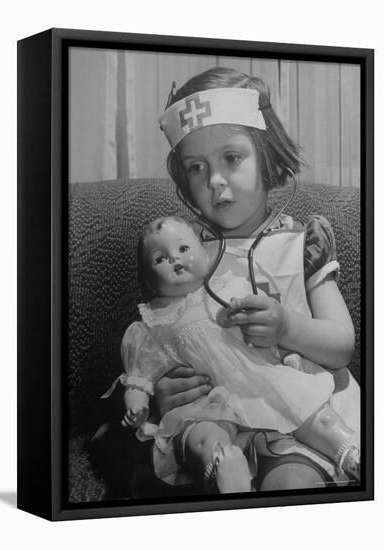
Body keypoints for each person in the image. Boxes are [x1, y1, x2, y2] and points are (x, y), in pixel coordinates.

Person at [151, 67, 360, 491]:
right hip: (223, 425)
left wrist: (287, 327)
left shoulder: (300, 244)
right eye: (196, 167)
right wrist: (163, 390)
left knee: (291, 485)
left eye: (231, 158)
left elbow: (342, 345)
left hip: (309, 418)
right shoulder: (186, 257)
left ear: (265, 157)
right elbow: (161, 339)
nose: (214, 180)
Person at [114, 215, 359, 493]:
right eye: (160, 259)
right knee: (203, 438)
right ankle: (224, 467)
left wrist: (288, 356)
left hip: (253, 381)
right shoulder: (151, 324)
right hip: (205, 403)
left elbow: (265, 333)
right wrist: (137, 405)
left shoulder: (230, 289)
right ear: (150, 282)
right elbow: (138, 376)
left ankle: (349, 451)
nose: (174, 259)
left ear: (205, 256)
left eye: (183, 249)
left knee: (308, 410)